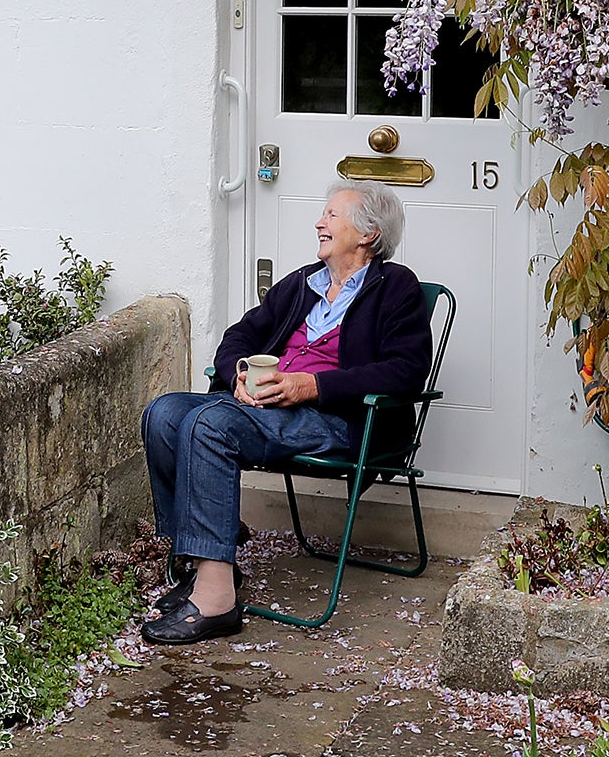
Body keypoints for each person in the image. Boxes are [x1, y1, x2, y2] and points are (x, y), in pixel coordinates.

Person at [138, 180, 432, 644]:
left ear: (369, 234)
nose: (320, 222)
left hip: (337, 419)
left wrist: (312, 385)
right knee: (164, 414)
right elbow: (241, 334)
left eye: (333, 215)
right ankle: (207, 565)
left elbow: (406, 371)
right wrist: (237, 373)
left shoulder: (396, 288)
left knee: (209, 425)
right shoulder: (303, 283)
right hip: (264, 410)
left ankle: (216, 602)